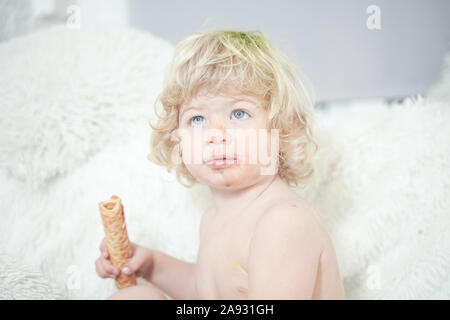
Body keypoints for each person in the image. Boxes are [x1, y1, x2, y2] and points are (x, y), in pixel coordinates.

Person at [95, 30, 345, 300]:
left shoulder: (283, 222)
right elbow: (209, 292)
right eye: (197, 119)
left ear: (282, 131)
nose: (215, 134)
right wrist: (153, 266)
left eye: (239, 113)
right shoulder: (212, 219)